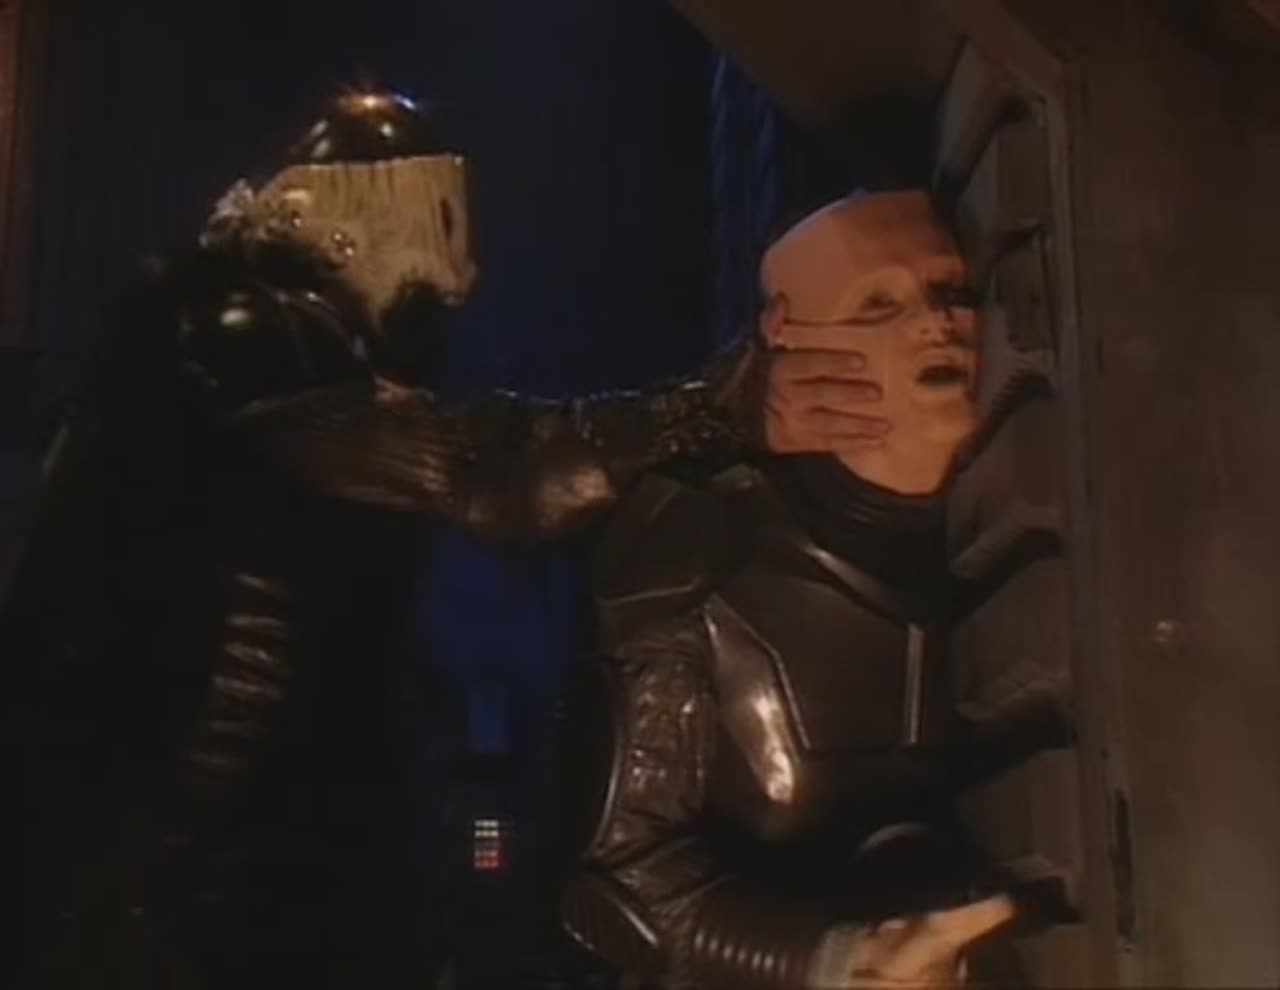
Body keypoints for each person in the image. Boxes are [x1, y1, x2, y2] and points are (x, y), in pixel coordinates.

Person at [1, 91, 887, 987]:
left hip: (220, 873)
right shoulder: (234, 335)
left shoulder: (228, 352)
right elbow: (477, 472)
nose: (446, 282)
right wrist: (710, 410)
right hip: (172, 890)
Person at [559, 190, 1028, 990]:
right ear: (788, 336)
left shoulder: (1027, 514)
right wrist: (835, 961)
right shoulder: (696, 548)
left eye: (948, 291)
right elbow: (623, 881)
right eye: (877, 303)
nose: (934, 323)